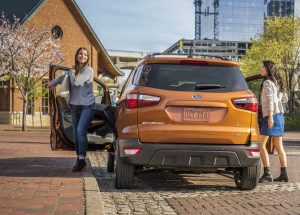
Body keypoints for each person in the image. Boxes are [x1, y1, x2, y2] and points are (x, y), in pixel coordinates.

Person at [47, 47, 95, 172]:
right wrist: (52, 83)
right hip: (74, 106)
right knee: (75, 134)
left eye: (85, 54)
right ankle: (79, 159)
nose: (82, 56)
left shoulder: (89, 70)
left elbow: (76, 82)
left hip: (87, 106)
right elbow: (63, 78)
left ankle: (82, 160)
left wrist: (72, 72)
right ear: (77, 55)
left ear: (87, 57)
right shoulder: (73, 70)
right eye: (80, 53)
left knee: (80, 131)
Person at [259, 60, 289, 183]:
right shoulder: (278, 82)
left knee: (261, 145)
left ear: (267, 69)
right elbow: (286, 98)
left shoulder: (267, 83)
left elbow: (270, 100)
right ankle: (284, 174)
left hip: (270, 116)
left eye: (263, 67)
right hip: (280, 116)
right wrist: (278, 100)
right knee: (279, 146)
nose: (261, 69)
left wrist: (270, 116)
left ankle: (267, 173)